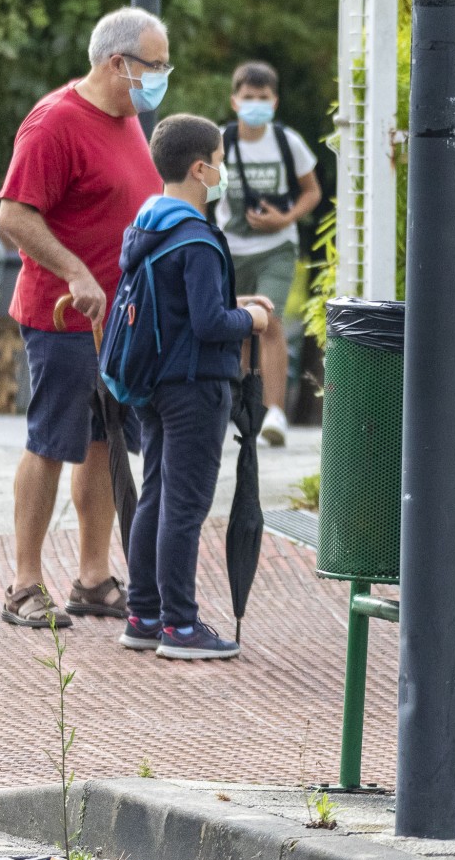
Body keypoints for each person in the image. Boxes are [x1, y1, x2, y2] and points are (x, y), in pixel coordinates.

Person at [0, 7, 169, 629]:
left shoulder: (126, 122)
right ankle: (22, 584)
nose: (161, 77)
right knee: (51, 442)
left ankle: (93, 578)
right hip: (63, 315)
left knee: (101, 444)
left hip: (116, 323)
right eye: (156, 65)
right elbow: (14, 216)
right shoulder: (54, 122)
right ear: (119, 64)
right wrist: (74, 271)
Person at [112, 115, 275, 660]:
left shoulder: (147, 226)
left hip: (155, 382)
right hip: (196, 385)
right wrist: (250, 321)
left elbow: (183, 312)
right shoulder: (198, 240)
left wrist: (236, 309)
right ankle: (180, 626)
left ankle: (144, 613)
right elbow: (208, 323)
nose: (225, 171)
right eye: (221, 161)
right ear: (200, 167)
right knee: (184, 505)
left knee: (157, 494)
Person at [213, 61, 322, 447]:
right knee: (241, 325)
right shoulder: (221, 141)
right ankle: (247, 408)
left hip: (277, 246)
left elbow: (312, 190)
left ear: (274, 102)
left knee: (270, 317)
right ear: (235, 100)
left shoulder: (286, 141)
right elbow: (204, 189)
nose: (255, 104)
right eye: (248, 97)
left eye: (263, 98)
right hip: (231, 247)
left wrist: (286, 217)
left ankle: (275, 412)